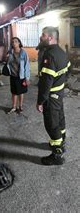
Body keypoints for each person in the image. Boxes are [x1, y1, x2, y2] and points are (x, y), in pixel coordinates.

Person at [36, 26, 70, 165]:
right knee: (60, 120)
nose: (41, 37)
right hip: (59, 93)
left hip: (51, 96)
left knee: (52, 124)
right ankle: (61, 143)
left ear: (50, 37)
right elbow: (68, 71)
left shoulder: (49, 55)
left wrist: (40, 101)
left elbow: (46, 82)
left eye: (43, 35)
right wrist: (60, 84)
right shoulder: (61, 51)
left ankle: (57, 155)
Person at [5, 37, 30, 114]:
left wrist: (27, 78)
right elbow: (7, 63)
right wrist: (7, 58)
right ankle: (14, 107)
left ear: (19, 43)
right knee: (14, 92)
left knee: (21, 92)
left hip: (21, 76)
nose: (14, 43)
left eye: (16, 41)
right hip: (13, 75)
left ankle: (20, 106)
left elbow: (27, 65)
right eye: (12, 42)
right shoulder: (10, 52)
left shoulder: (23, 53)